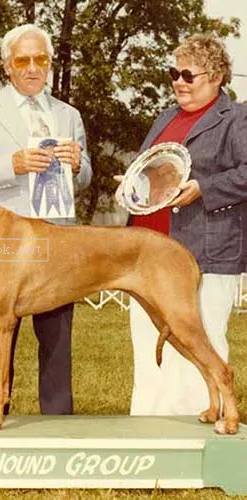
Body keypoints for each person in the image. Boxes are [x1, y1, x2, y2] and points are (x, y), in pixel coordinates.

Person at [0, 24, 92, 414]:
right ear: (7, 66)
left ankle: (58, 424)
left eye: (40, 60)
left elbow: (84, 180)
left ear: (48, 64)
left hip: (56, 242)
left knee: (57, 343)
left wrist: (79, 164)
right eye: (22, 60)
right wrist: (10, 165)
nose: (32, 68)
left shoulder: (68, 115)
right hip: (0, 243)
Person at [128, 34, 247, 415]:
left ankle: (203, 428)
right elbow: (154, 172)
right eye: (172, 73)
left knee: (203, 339)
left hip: (205, 252)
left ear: (215, 76)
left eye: (187, 74)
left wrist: (205, 188)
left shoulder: (237, 119)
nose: (178, 81)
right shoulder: (166, 117)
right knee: (148, 341)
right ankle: (148, 427)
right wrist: (134, 182)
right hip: (147, 254)